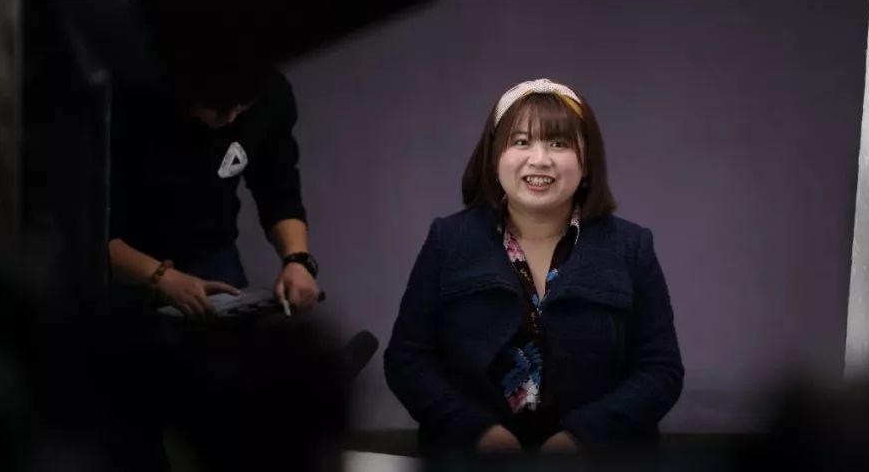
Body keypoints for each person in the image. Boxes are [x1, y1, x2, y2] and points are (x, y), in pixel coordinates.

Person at [384, 78, 684, 456]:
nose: (540, 159)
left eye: (559, 143)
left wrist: (582, 439)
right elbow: (407, 361)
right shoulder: (449, 239)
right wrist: (476, 432)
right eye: (522, 141)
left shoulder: (630, 246)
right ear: (494, 158)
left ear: (587, 162)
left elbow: (660, 371)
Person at [107, 65, 321, 316]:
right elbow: (85, 228)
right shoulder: (127, 103)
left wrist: (297, 261)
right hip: (121, 257)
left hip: (211, 252)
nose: (230, 118)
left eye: (241, 106)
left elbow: (279, 191)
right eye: (219, 107)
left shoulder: (269, 94)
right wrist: (160, 277)